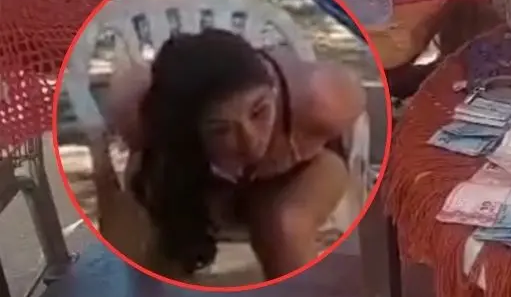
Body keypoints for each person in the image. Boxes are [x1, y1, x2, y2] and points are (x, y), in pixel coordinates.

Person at [104, 28, 367, 281]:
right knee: (149, 202)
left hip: (304, 163)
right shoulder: (141, 116)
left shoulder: (323, 99)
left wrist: (285, 156)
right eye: (221, 129)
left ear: (273, 89)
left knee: (285, 224)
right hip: (197, 168)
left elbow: (355, 130)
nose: (250, 140)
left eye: (259, 112)